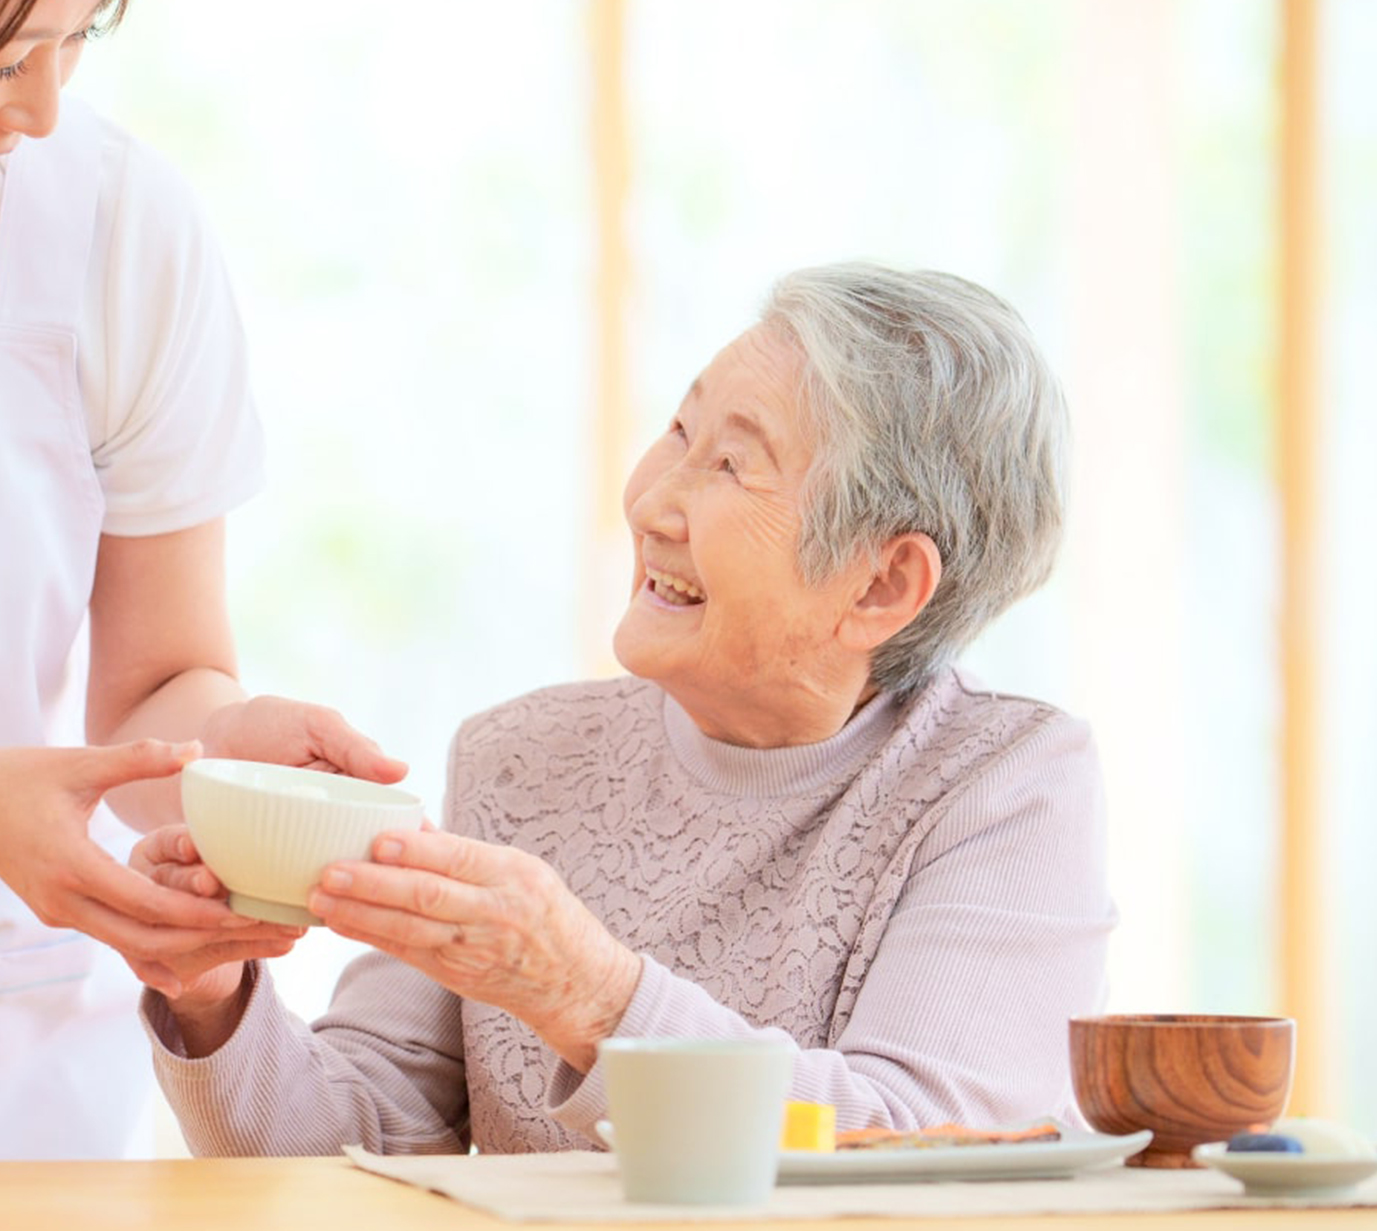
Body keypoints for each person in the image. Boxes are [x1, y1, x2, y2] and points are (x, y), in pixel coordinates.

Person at [138, 263, 1116, 1156]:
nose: (652, 502)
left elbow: (920, 1141)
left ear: (880, 585)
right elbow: (355, 1146)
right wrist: (213, 991)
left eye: (733, 465)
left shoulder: (1001, 784)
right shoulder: (520, 757)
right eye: (681, 433)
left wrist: (586, 992)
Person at [0, 0, 407, 1159]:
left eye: (78, 43)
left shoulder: (116, 227)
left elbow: (149, 694)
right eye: (10, 54)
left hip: (23, 1090)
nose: (41, 108)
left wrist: (221, 759)